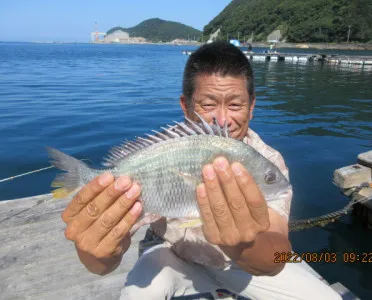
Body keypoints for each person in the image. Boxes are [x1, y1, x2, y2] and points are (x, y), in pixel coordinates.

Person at [61, 42, 341, 300]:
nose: (222, 119)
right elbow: (102, 263)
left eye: (235, 104)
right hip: (169, 252)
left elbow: (275, 254)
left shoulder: (266, 160)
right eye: (208, 104)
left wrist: (242, 244)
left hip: (240, 263)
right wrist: (97, 252)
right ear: (186, 106)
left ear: (252, 106)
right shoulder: (164, 150)